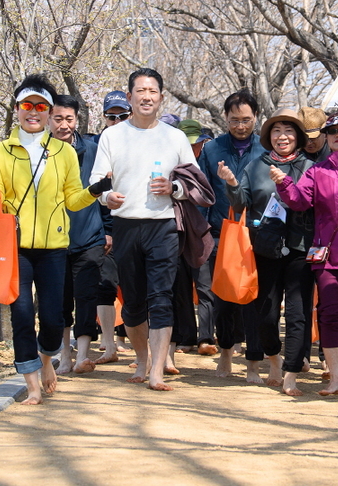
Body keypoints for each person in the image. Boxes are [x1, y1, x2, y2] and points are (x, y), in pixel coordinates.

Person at [0, 75, 110, 404]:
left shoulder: (62, 152)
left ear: (48, 112)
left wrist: (94, 191)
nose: (33, 112)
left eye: (40, 106)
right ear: (17, 109)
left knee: (52, 318)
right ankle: (32, 384)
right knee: (20, 316)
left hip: (53, 249)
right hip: (15, 248)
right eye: (27, 106)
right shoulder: (1, 152)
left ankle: (47, 361)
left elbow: (73, 199)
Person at [90, 68, 198, 392]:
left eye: (153, 91)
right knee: (134, 302)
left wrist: (174, 187)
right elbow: (97, 182)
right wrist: (108, 196)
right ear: (129, 97)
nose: (147, 96)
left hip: (163, 225)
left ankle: (157, 371)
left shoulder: (174, 137)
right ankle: (141, 360)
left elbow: (194, 182)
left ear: (161, 97)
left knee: (161, 297)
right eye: (140, 91)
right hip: (125, 224)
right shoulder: (112, 136)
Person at [274, 111, 338, 398]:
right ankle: (334, 379)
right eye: (332, 130)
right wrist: (283, 183)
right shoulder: (317, 171)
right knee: (329, 315)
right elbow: (298, 201)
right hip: (329, 257)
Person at [221, 108, 315, 395]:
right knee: (266, 313)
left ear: (298, 137)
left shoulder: (310, 166)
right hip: (264, 247)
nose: (282, 136)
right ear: (268, 136)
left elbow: (314, 203)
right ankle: (273, 356)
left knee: (298, 314)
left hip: (300, 248)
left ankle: (290, 372)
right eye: (276, 131)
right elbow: (240, 204)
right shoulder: (255, 165)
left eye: (288, 131)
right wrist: (232, 183)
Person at [196, 90, 266, 379]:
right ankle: (224, 354)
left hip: (258, 233)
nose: (240, 126)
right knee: (223, 298)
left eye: (246, 120)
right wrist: (201, 231)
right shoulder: (212, 150)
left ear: (256, 118)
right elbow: (200, 192)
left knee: (254, 300)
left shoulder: (265, 148)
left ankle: (252, 363)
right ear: (225, 118)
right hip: (220, 233)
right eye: (235, 120)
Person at [49, 94, 110, 376]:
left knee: (87, 295)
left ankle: (83, 353)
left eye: (69, 119)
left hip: (89, 236)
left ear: (77, 120)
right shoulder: (40, 152)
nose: (63, 125)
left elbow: (107, 188)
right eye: (58, 118)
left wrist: (108, 230)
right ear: (49, 119)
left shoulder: (94, 148)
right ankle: (64, 355)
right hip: (52, 240)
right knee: (59, 299)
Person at [92, 90, 132, 357]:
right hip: (108, 229)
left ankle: (140, 343)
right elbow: (92, 191)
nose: (116, 121)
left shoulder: (144, 141)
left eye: (122, 116)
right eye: (111, 117)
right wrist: (106, 231)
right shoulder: (97, 146)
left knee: (137, 286)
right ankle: (108, 343)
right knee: (105, 285)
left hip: (140, 226)